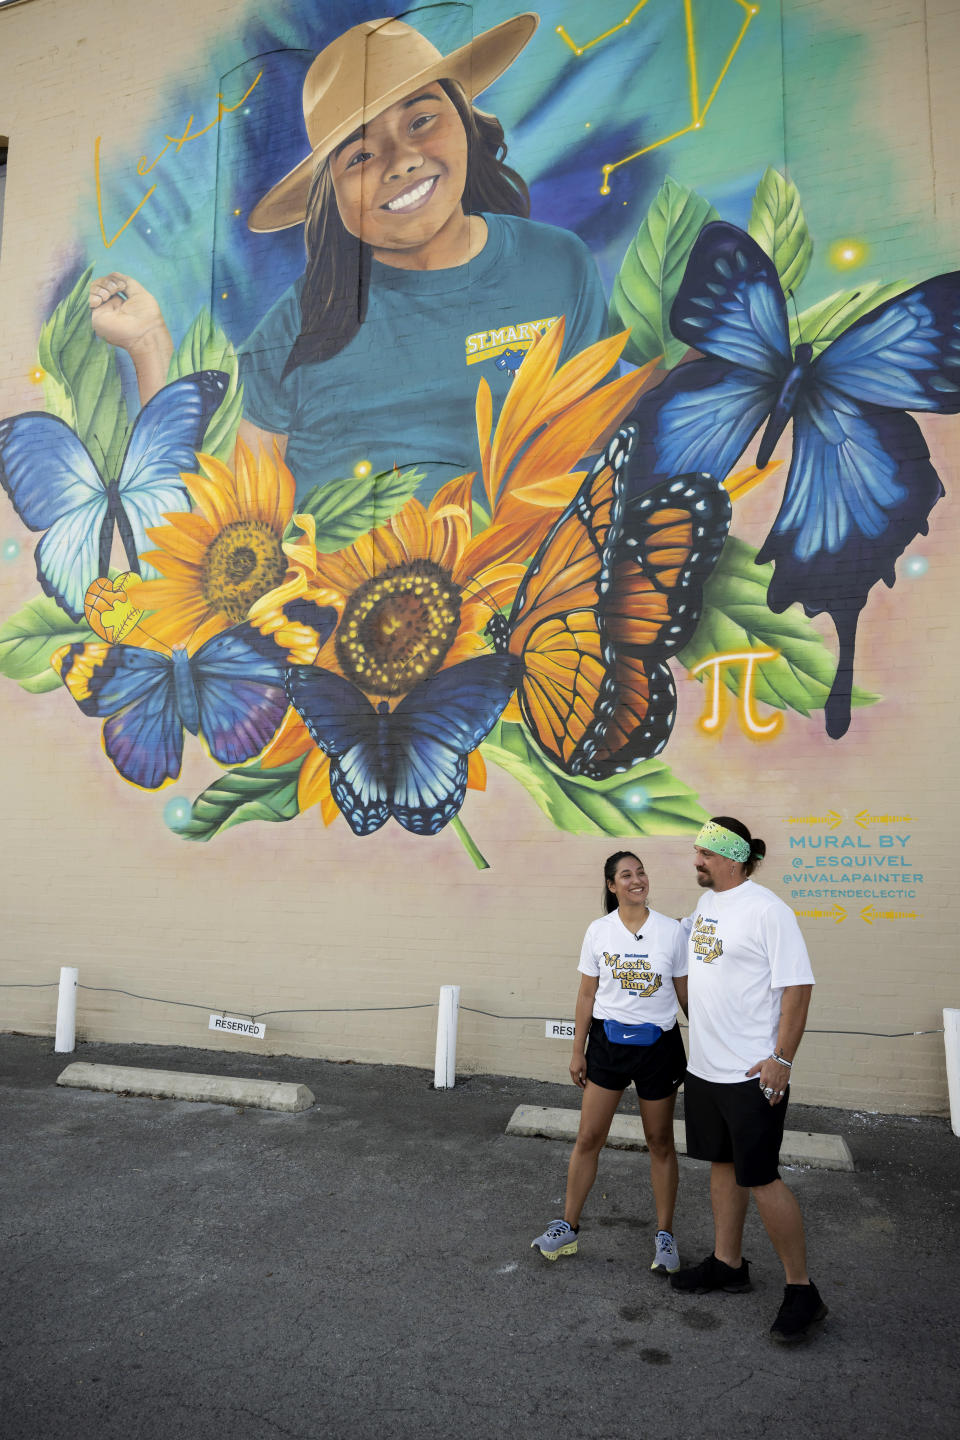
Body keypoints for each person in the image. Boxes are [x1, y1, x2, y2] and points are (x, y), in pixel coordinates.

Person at [88, 13, 609, 501]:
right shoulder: (302, 322)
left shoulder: (556, 264)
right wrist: (148, 344)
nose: (402, 161)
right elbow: (223, 505)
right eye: (360, 155)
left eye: (422, 120)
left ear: (467, 123)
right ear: (331, 198)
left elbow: (593, 449)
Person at [670, 816, 828, 1344]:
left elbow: (798, 989)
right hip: (706, 1067)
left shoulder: (768, 911)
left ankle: (802, 1291)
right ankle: (727, 1262)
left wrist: (781, 1058)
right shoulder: (709, 905)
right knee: (721, 1165)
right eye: (697, 851)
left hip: (751, 1072)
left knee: (761, 1177)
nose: (697, 860)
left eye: (705, 854)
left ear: (734, 858)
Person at [531, 851, 688, 1273]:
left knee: (660, 1143)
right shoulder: (599, 931)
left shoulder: (672, 932)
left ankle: (666, 1236)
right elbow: (587, 995)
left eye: (641, 872)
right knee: (588, 1138)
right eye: (626, 875)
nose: (637, 879)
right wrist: (577, 1048)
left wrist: (712, 1047)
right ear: (612, 885)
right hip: (608, 1045)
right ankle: (568, 1226)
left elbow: (686, 996)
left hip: (659, 1049)